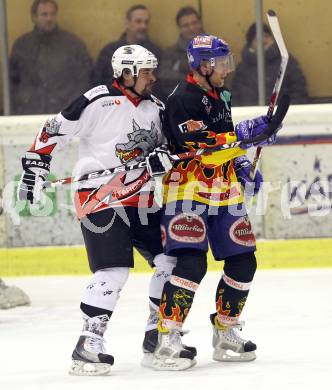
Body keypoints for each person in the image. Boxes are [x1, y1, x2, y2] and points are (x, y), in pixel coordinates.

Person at [17, 44, 181, 376]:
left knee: (171, 261)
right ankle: (89, 342)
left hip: (142, 197)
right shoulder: (97, 100)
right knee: (114, 269)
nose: (153, 77)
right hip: (99, 197)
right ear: (126, 73)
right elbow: (53, 130)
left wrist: (164, 157)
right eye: (146, 71)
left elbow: (169, 149)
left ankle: (157, 334)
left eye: (153, 70)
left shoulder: (157, 107)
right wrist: (35, 169)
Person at [147, 34, 283, 371]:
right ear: (202, 65)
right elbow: (203, 149)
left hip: (224, 193)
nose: (226, 70)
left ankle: (224, 331)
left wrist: (241, 164)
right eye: (221, 64)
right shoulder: (181, 100)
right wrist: (246, 134)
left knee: (244, 262)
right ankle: (167, 338)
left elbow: (224, 144)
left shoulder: (220, 95)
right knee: (191, 265)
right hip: (187, 193)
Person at [9, 0, 93, 115]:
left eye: (52, 14)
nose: (49, 19)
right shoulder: (22, 45)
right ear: (34, 17)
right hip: (29, 112)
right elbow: (12, 82)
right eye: (44, 14)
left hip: (64, 113)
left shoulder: (72, 44)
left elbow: (85, 78)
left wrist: (72, 107)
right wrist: (21, 104)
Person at [231, 22, 309, 106]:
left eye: (265, 36)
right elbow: (235, 97)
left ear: (272, 39)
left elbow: (299, 91)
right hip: (251, 116)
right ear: (250, 44)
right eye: (257, 39)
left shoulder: (286, 61)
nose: (262, 41)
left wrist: (286, 112)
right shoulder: (242, 69)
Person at [93, 4, 162, 87]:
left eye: (146, 22)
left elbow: (158, 85)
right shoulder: (109, 51)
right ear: (128, 23)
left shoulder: (156, 53)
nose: (143, 26)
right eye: (138, 21)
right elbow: (96, 80)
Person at [158, 6, 204, 97]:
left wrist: (178, 67)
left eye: (194, 23)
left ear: (200, 24)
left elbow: (217, 77)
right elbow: (163, 78)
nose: (191, 28)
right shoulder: (170, 52)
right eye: (186, 25)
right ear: (180, 28)